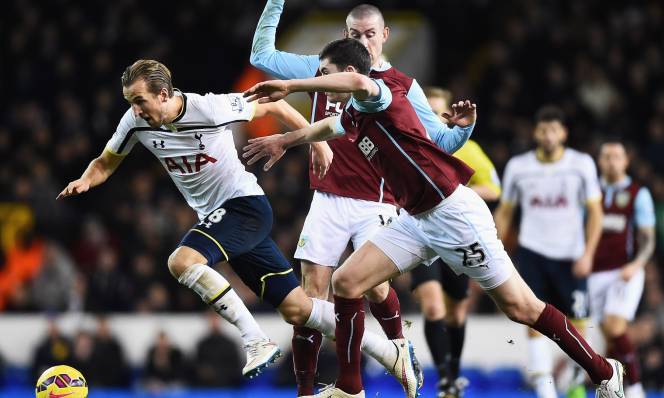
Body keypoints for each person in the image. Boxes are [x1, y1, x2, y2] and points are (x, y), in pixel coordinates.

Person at [242, 38, 625, 398]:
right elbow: (331, 126)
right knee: (346, 281)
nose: (322, 82)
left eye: (326, 73)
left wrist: (291, 85)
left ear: (346, 70)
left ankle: (604, 372)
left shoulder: (380, 90)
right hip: (416, 219)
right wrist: (284, 140)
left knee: (521, 308)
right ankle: (350, 388)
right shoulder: (355, 111)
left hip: (454, 216)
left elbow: (360, 79)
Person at [57, 59, 420, 392]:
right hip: (222, 218)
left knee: (182, 261)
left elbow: (274, 104)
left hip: (244, 207)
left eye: (139, 100)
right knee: (299, 309)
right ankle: (390, 354)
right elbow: (106, 161)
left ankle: (254, 339)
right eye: (130, 101)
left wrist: (318, 143)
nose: (134, 109)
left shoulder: (210, 108)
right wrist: (87, 180)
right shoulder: (134, 122)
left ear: (163, 94)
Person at [250, 3, 472, 395]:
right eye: (355, 34)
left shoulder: (403, 84)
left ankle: (400, 349)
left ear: (385, 35)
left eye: (370, 34)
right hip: (329, 197)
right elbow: (260, 56)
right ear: (345, 33)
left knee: (375, 288)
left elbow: (443, 141)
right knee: (311, 297)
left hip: (379, 201)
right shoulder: (325, 67)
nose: (363, 41)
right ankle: (306, 390)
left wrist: (464, 129)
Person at [494, 105, 604, 398]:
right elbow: (505, 212)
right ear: (535, 133)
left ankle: (576, 384)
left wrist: (588, 253)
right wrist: (493, 248)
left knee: (580, 323)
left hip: (572, 255)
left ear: (564, 133)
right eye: (543, 130)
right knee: (532, 320)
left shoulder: (581, 164)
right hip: (532, 254)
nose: (548, 135)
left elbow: (595, 212)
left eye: (554, 129)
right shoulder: (519, 167)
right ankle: (546, 391)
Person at [410, 86, 501, 397]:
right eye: (427, 112)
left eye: (438, 112)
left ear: (449, 114)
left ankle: (455, 371)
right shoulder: (410, 145)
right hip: (422, 237)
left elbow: (494, 188)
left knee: (457, 312)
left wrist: (453, 195)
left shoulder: (468, 147)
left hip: (457, 237)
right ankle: (445, 379)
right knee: (433, 307)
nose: (432, 118)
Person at [590, 141, 656, 398]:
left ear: (626, 161)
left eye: (616, 156)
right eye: (606, 157)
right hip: (594, 273)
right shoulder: (591, 192)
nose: (611, 162)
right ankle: (614, 387)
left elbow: (648, 237)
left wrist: (636, 264)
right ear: (599, 161)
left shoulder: (638, 193)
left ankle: (636, 388)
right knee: (608, 336)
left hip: (623, 271)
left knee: (615, 326)